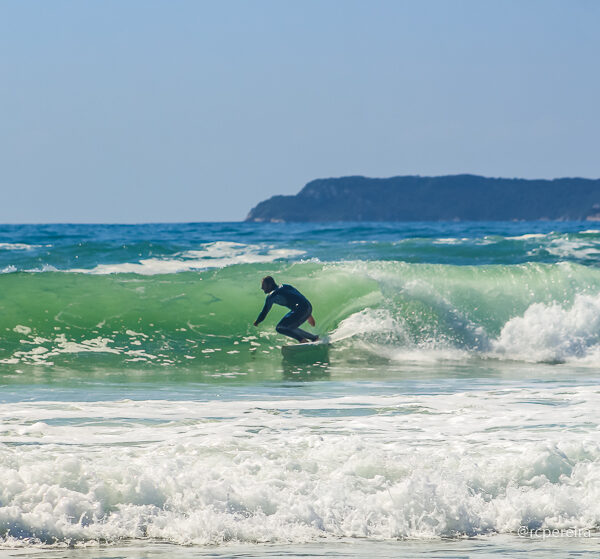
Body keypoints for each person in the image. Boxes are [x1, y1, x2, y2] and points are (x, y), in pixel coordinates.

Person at [253, 276, 319, 343]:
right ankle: (314, 338)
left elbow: (264, 312)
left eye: (263, 285)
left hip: (301, 309)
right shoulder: (285, 286)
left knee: (280, 328)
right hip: (308, 306)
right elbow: (298, 298)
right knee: (289, 327)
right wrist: (309, 314)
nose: (262, 288)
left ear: (270, 285)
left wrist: (257, 322)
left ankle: (302, 340)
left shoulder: (271, 296)